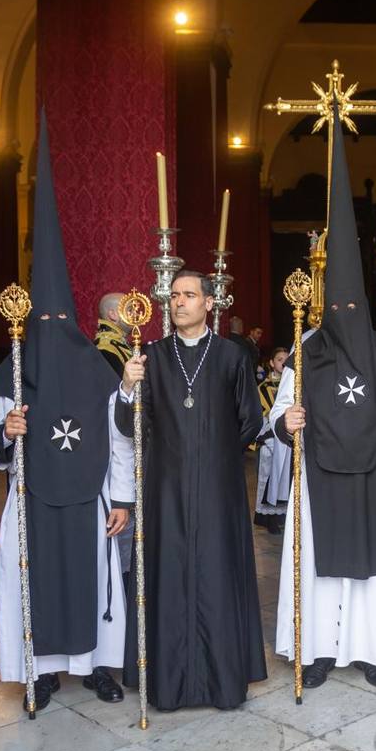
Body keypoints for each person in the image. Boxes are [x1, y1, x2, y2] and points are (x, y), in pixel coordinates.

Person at [0, 113, 128, 710]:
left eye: (65, 322)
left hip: (90, 502)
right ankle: (37, 669)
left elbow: (119, 440)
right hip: (31, 499)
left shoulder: (96, 368)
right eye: (47, 322)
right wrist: (5, 433)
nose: (55, 332)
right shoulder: (14, 368)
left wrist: (123, 499)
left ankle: (99, 668)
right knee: (33, 582)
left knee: (95, 581)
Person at [272, 123, 376, 690]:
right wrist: (286, 422)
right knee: (318, 569)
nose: (348, 314)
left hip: (375, 479)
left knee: (372, 571)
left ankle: (374, 650)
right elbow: (279, 411)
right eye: (340, 306)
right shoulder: (305, 354)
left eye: (356, 306)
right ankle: (318, 652)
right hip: (319, 478)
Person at [116, 270, 267, 709]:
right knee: (167, 574)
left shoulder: (230, 356)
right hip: (165, 490)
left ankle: (221, 681)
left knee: (218, 575)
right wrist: (128, 385)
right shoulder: (152, 357)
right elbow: (131, 426)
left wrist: (214, 453)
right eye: (175, 295)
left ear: (208, 303)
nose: (179, 302)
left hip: (219, 491)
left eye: (189, 295)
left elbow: (250, 421)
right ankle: (168, 683)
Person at [254, 346, 291, 536]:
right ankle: (267, 517)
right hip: (270, 440)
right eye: (279, 359)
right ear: (271, 363)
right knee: (268, 477)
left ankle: (282, 515)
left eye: (287, 359)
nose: (283, 363)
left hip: (288, 440)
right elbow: (258, 414)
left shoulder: (293, 385)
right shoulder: (263, 388)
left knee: (287, 477)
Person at [94, 292, 133, 376]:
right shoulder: (105, 348)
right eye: (130, 310)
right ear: (113, 315)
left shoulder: (118, 343)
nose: (135, 314)